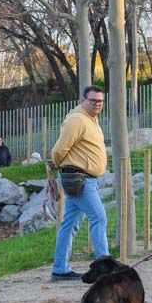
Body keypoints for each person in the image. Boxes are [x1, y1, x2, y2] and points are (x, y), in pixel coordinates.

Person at [50, 84, 109, 282]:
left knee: (70, 224)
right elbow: (59, 150)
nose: (97, 104)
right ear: (83, 100)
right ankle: (105, 268)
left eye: (100, 101)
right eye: (93, 100)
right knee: (99, 218)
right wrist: (59, 165)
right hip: (80, 179)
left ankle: (60, 268)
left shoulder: (91, 119)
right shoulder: (77, 120)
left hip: (84, 179)